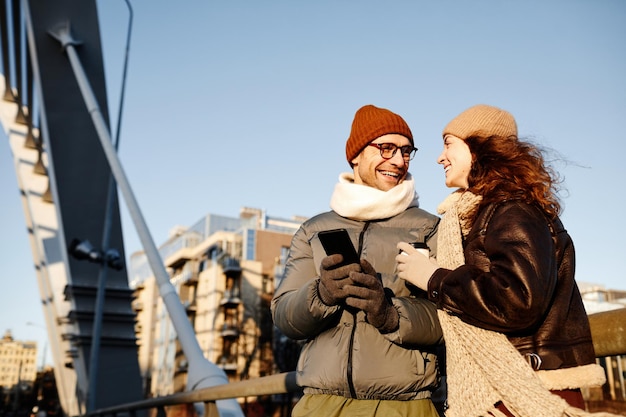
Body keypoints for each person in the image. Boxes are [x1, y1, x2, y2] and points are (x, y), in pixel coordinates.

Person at [396, 104, 610, 417]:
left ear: (479, 146)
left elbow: (517, 299)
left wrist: (434, 278)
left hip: (528, 391)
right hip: (502, 391)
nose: (439, 157)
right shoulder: (478, 215)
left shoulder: (513, 209)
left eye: (448, 144)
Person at [271, 104, 443, 417]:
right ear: (356, 156)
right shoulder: (314, 229)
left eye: (406, 151)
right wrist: (321, 295)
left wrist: (390, 313)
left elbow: (451, 318)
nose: (398, 160)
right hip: (319, 406)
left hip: (405, 406)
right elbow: (284, 316)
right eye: (386, 148)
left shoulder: (431, 228)